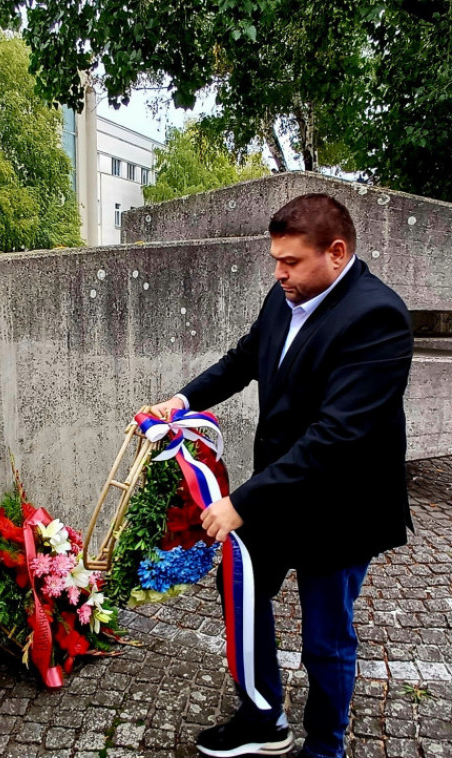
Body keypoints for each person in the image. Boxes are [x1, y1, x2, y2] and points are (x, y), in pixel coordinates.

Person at [148, 193, 414, 758]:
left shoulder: (379, 318)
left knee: (325, 638)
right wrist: (183, 399)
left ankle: (325, 745)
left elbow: (336, 437)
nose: (279, 272)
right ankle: (263, 715)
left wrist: (240, 501)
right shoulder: (287, 294)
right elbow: (245, 359)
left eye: (290, 261)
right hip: (279, 490)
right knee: (241, 590)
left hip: (340, 506)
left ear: (336, 252)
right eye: (275, 260)